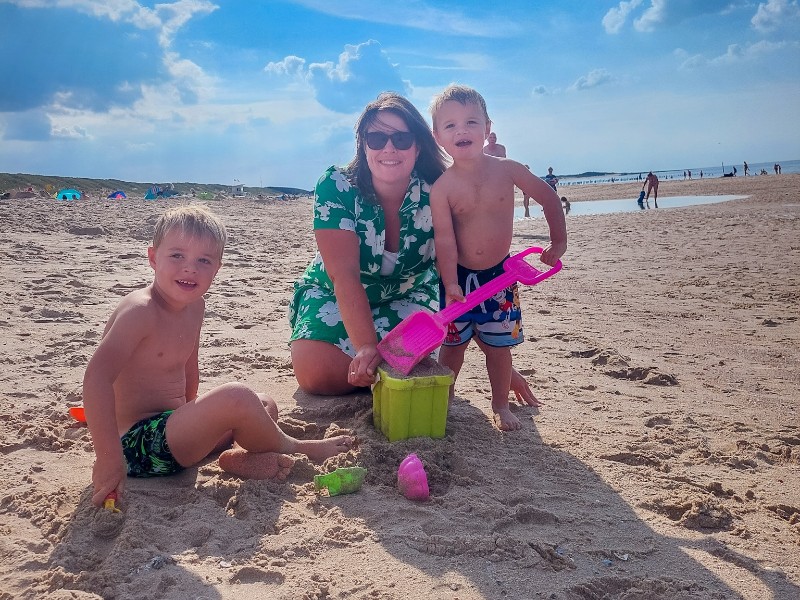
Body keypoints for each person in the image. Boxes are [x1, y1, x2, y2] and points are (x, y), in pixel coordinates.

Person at [83, 205, 352, 507]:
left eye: (203, 260)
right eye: (177, 256)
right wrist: (108, 458)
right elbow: (96, 379)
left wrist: (197, 420)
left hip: (174, 436)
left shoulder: (195, 307)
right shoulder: (140, 312)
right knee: (237, 398)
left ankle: (237, 460)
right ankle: (298, 447)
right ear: (152, 258)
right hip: (135, 446)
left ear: (217, 268)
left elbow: (188, 369)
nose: (190, 268)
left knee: (263, 404)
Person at [289, 92, 540, 405]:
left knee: (407, 359)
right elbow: (344, 275)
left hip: (409, 296)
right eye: (376, 138)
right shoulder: (336, 186)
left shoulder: (441, 188)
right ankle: (381, 369)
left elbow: (466, 277)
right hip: (335, 291)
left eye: (402, 138)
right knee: (316, 374)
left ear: (419, 144)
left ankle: (385, 373)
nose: (389, 148)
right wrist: (367, 347)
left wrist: (499, 361)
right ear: (362, 144)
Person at [429, 84, 567, 431]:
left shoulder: (508, 169)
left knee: (498, 347)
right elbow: (444, 240)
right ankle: (443, 401)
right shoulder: (442, 188)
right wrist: (448, 283)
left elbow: (549, 198)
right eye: (451, 125)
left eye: (472, 122)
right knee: (453, 347)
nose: (462, 130)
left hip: (501, 277)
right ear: (438, 137)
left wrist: (558, 243)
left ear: (487, 127)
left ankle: (500, 404)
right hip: (457, 278)